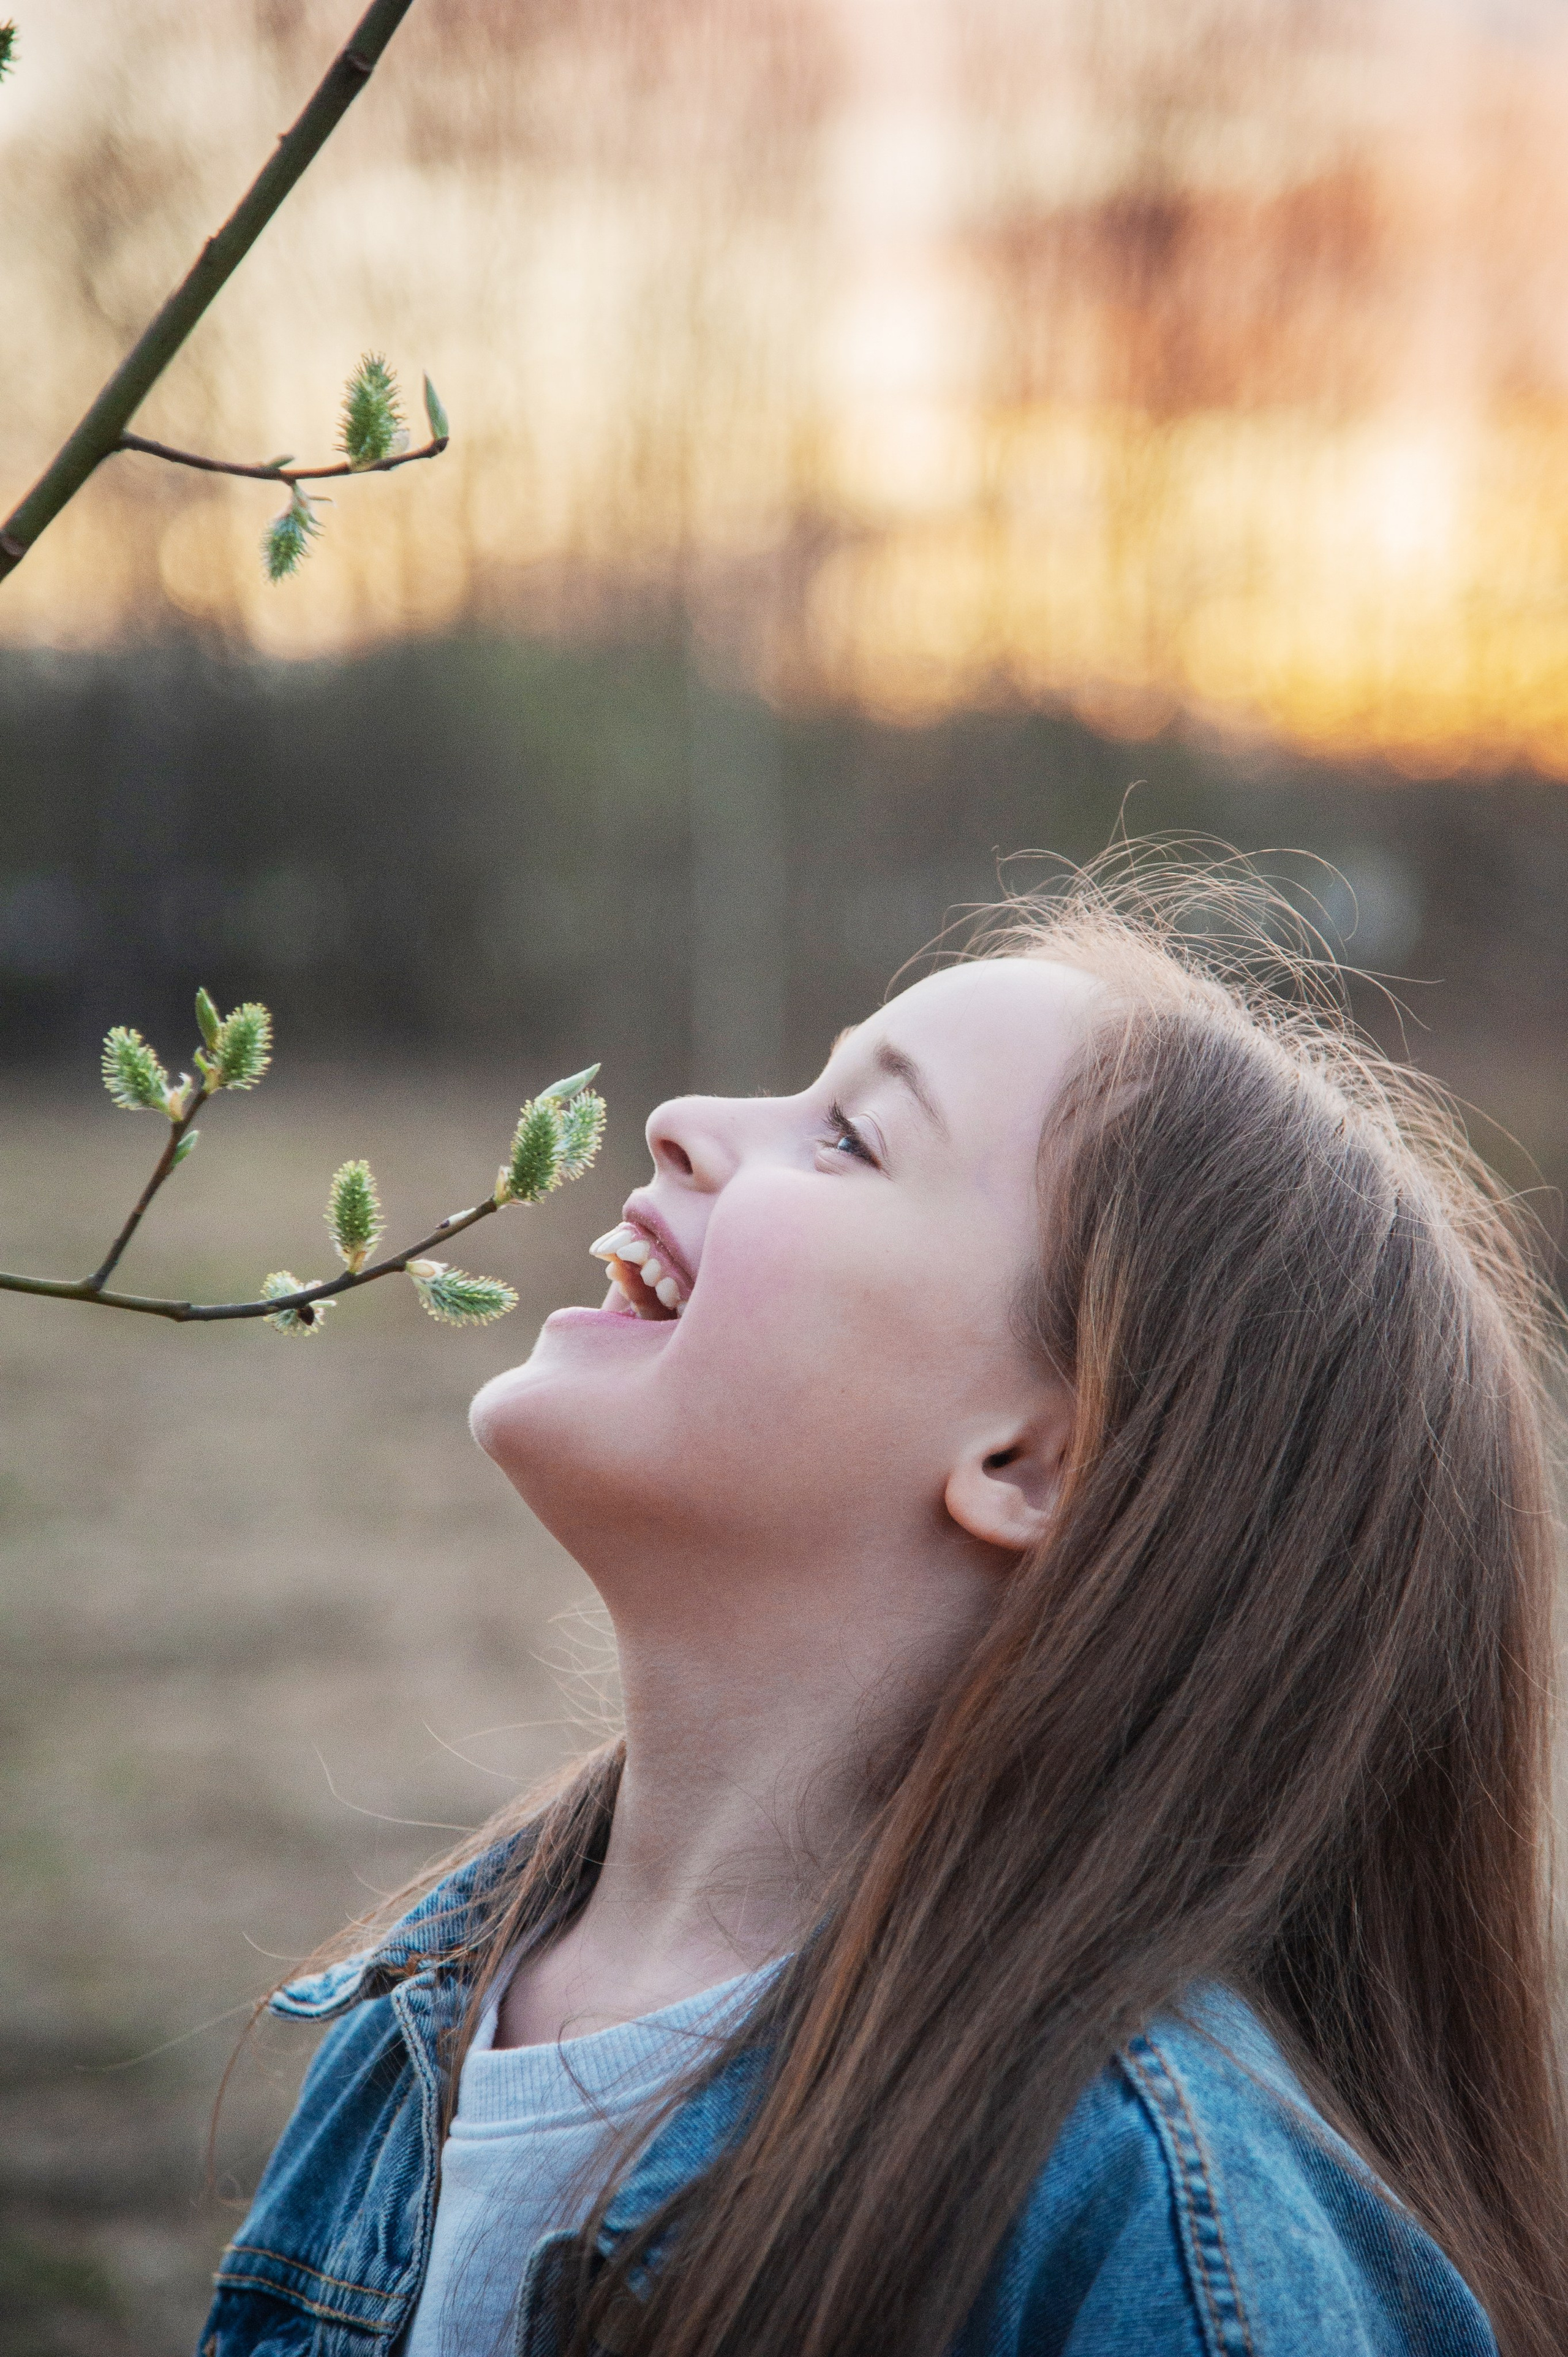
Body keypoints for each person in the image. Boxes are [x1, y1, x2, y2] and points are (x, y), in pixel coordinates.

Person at [200, 863, 1568, 2357]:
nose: (677, 1122)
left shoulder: (1152, 2237)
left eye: (847, 1134)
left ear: (1030, 1458)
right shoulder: (415, 2022)